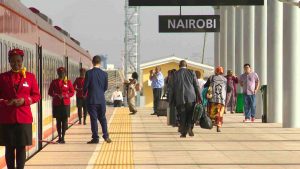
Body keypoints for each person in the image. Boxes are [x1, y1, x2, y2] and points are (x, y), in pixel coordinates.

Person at [0, 48, 40, 169]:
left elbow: (36, 96)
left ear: (22, 61)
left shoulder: (30, 77)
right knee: (9, 147)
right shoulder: (3, 77)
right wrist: (6, 102)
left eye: (18, 61)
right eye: (13, 61)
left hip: (24, 118)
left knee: (21, 147)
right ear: (9, 61)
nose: (16, 64)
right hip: (7, 118)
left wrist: (24, 101)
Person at [83, 55, 112, 144]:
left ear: (92, 62)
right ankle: (106, 136)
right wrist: (100, 92)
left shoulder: (88, 73)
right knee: (103, 118)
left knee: (93, 119)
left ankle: (95, 138)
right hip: (101, 100)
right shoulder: (105, 74)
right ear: (100, 63)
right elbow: (105, 87)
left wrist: (84, 94)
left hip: (91, 100)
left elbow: (85, 86)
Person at [171, 60, 200, 137]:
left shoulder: (175, 74)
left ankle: (183, 133)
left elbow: (171, 88)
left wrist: (171, 100)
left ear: (179, 66)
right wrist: (199, 96)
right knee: (190, 114)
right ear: (186, 66)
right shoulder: (191, 72)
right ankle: (190, 127)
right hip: (191, 97)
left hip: (179, 98)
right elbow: (196, 85)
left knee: (182, 115)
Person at [48, 67, 75, 144]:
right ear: (58, 73)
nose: (61, 74)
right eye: (59, 73)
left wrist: (65, 95)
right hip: (57, 104)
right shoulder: (54, 82)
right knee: (58, 121)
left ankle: (63, 136)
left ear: (65, 74)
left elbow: (72, 92)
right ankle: (60, 137)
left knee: (65, 122)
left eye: (62, 73)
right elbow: (50, 92)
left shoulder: (68, 82)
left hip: (65, 104)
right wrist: (56, 95)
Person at [204, 66, 227, 132]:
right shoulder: (225, 79)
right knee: (220, 113)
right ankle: (218, 126)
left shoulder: (211, 77)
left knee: (211, 112)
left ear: (216, 71)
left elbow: (206, 85)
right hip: (221, 99)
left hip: (212, 99)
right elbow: (228, 89)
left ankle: (211, 123)